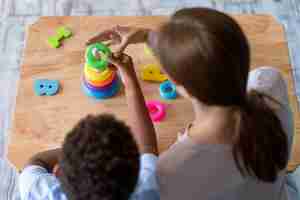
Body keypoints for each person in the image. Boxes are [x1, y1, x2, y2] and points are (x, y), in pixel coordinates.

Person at [88, 7, 300, 200]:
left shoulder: (171, 171)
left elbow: (147, 151)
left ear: (181, 86)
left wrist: (130, 81)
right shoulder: (270, 85)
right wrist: (150, 37)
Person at [19, 65, 160, 200]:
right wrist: (129, 81)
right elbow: (147, 147)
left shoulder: (38, 192)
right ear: (136, 175)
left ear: (57, 172)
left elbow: (35, 162)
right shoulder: (149, 190)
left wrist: (74, 152)